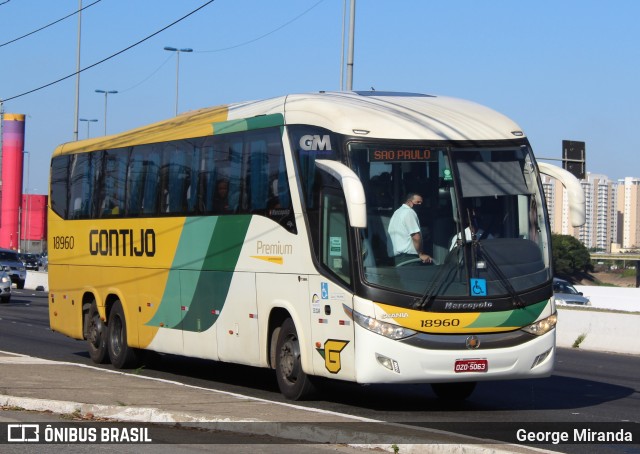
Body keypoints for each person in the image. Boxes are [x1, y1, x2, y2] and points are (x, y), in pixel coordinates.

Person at [387, 193, 433, 265]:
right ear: (409, 202)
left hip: (397, 258)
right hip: (409, 258)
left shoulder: (397, 212)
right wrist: (421, 254)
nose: (420, 204)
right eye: (417, 202)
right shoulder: (409, 212)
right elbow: (416, 237)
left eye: (421, 202)